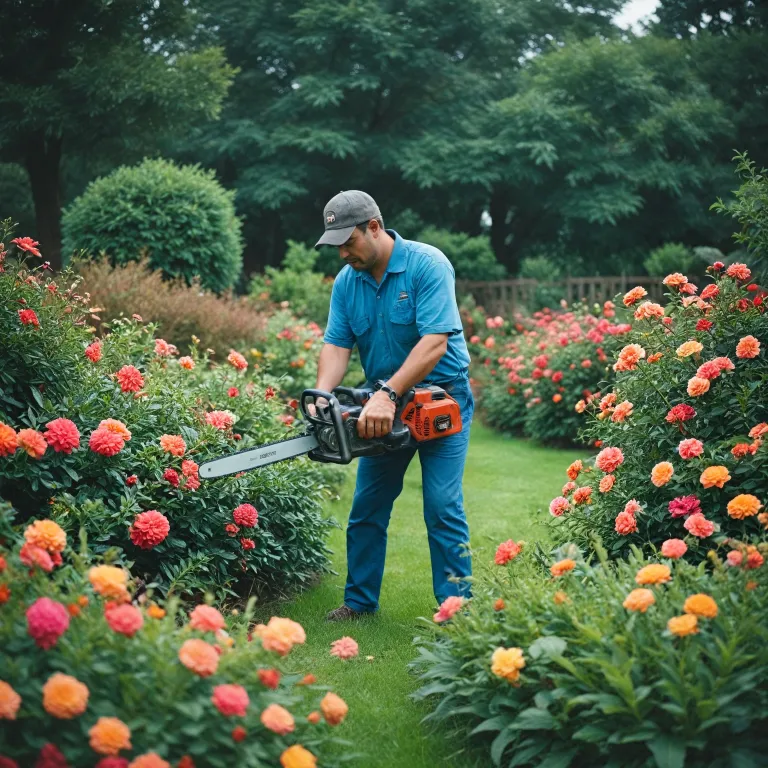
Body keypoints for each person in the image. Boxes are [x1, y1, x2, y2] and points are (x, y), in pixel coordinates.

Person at [313, 189, 474, 621]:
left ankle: (458, 610)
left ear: (375, 227)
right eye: (337, 246)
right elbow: (336, 344)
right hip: (381, 407)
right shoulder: (348, 282)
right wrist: (324, 394)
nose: (343, 253)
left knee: (442, 505)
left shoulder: (427, 265)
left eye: (349, 242)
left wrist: (387, 393)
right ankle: (360, 603)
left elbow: (435, 342)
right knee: (367, 507)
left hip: (440, 401)